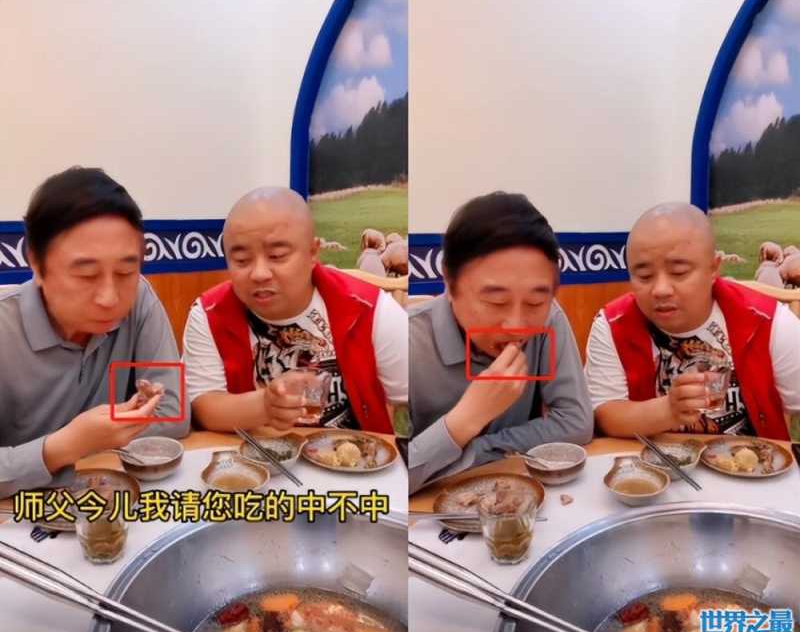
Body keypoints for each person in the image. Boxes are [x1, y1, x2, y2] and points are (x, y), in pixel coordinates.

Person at [0, 167, 190, 499]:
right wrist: (65, 445)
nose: (110, 298)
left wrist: (109, 429)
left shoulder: (139, 299)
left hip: (105, 500)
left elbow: (174, 414)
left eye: (126, 271)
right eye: (86, 275)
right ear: (36, 262)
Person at [408, 191, 593, 493]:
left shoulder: (549, 319)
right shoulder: (409, 341)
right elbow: (389, 473)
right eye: (496, 302)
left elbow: (576, 423)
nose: (517, 326)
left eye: (535, 302)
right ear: (449, 284)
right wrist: (466, 419)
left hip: (517, 497)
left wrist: (477, 450)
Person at [182, 187, 408, 434]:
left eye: (277, 256)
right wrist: (265, 406)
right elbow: (203, 404)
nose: (259, 273)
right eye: (242, 260)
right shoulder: (209, 313)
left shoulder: (371, 309)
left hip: (352, 455)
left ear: (313, 253)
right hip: (254, 456)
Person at [585, 202, 800, 438]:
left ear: (713, 269)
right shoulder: (613, 324)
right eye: (644, 276)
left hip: (752, 459)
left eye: (679, 273)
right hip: (654, 460)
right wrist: (668, 410)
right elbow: (605, 413)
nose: (661, 290)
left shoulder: (769, 322)